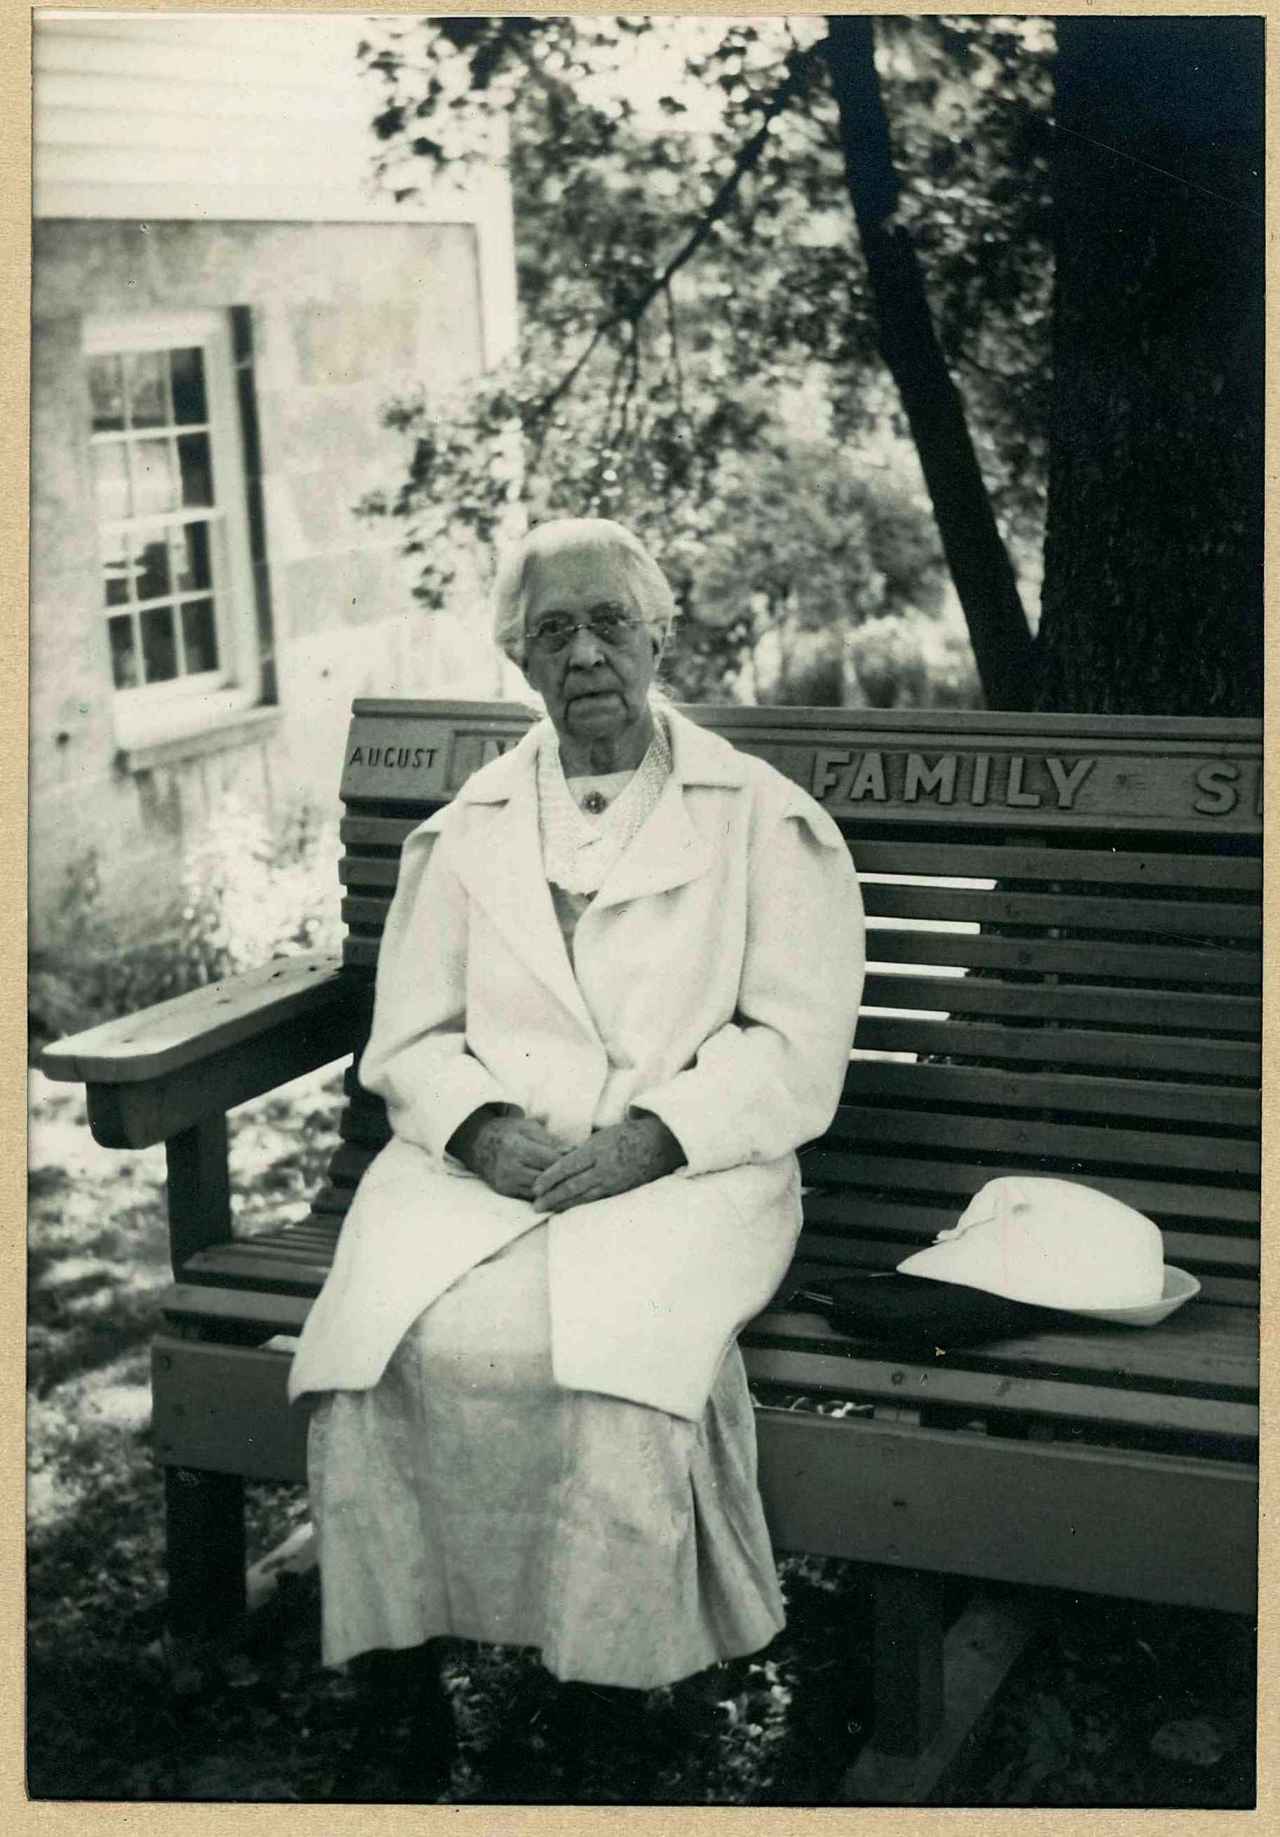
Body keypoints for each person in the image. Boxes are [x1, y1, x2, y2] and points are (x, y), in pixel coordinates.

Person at [287, 516, 865, 1796]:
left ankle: (606, 1690)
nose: (586, 652)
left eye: (610, 622)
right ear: (519, 660)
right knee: (382, 1349)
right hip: (481, 1163)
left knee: (611, 1369)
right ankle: (398, 1680)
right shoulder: (472, 825)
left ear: (661, 637)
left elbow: (794, 1043)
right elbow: (415, 1037)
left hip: (689, 1170)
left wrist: (654, 1139)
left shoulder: (762, 822)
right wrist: (483, 1131)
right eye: (554, 629)